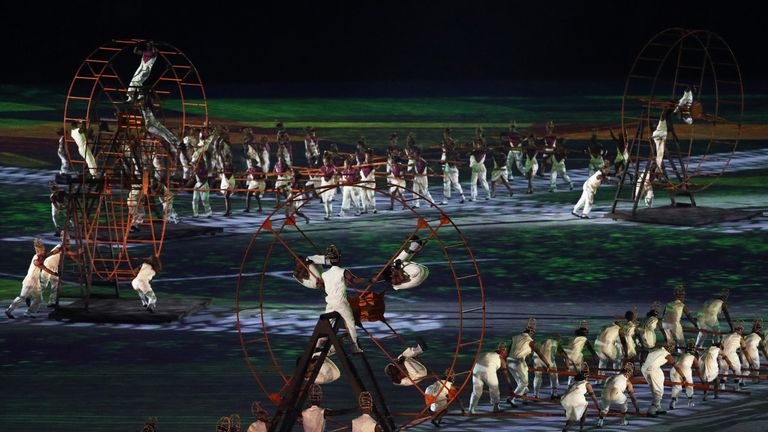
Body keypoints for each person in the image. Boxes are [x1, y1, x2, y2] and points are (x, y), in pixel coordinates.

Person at [307, 245, 373, 353]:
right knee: (350, 323)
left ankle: (318, 345)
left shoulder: (325, 274)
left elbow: (325, 285)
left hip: (330, 303)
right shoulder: (343, 271)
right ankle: (354, 347)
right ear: (339, 258)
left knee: (327, 325)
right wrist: (369, 280)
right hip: (341, 303)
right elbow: (354, 280)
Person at [6, 239, 60, 318]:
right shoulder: (36, 260)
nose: (44, 251)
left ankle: (28, 313)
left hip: (36, 282)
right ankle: (9, 310)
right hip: (29, 281)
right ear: (38, 250)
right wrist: (54, 273)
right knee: (22, 297)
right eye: (42, 250)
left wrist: (57, 250)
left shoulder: (41, 257)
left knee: (38, 299)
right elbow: (45, 268)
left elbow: (48, 255)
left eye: (44, 250)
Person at [506, 318, 553, 407]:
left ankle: (524, 397)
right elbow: (539, 353)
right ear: (531, 332)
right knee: (524, 383)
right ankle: (511, 398)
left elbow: (510, 350)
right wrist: (547, 364)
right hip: (518, 362)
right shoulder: (530, 341)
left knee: (520, 382)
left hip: (510, 361)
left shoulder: (515, 337)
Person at [641, 341, 688, 416]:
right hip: (653, 369)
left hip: (644, 369)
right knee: (658, 391)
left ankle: (658, 407)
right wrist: (683, 377)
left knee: (654, 389)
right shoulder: (667, 354)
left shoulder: (656, 349)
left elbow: (649, 350)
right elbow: (676, 367)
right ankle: (652, 409)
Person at [597, 362, 640, 428]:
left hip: (604, 394)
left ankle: (600, 421)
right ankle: (623, 420)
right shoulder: (627, 382)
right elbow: (632, 397)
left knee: (605, 408)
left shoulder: (610, 377)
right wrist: (637, 409)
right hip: (616, 394)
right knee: (625, 401)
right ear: (630, 372)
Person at [560, 362, 599, 432]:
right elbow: (593, 398)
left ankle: (573, 428)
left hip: (564, 400)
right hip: (575, 400)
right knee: (575, 417)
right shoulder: (587, 384)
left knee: (572, 416)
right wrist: (598, 407)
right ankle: (580, 429)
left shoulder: (573, 381)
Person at [469, 342, 507, 413]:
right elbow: (505, 373)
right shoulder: (500, 358)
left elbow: (474, 360)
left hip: (476, 371)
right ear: (503, 351)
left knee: (476, 391)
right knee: (494, 388)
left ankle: (471, 409)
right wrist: (510, 386)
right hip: (488, 371)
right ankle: (496, 407)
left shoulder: (485, 353)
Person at [669, 339, 704, 409]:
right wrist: (701, 379)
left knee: (676, 387)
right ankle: (690, 401)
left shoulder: (681, 355)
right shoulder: (693, 357)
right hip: (685, 370)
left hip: (674, 370)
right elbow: (697, 369)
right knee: (689, 385)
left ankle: (673, 401)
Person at [719, 321, 752, 390]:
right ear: (740, 330)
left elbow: (721, 348)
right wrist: (750, 362)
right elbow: (745, 351)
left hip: (722, 355)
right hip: (732, 355)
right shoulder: (740, 338)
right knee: (737, 370)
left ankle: (722, 386)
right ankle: (736, 386)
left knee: (724, 370)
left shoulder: (725, 336)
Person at [662, 284, 698, 349]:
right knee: (681, 342)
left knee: (670, 341)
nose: (684, 298)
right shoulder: (682, 305)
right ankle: (681, 353)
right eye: (683, 296)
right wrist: (696, 324)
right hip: (674, 324)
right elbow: (689, 316)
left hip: (665, 323)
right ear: (681, 296)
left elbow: (664, 314)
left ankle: (669, 352)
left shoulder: (668, 304)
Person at [594, 318, 628, 384]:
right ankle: (616, 379)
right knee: (617, 360)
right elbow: (623, 341)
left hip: (597, 345)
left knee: (603, 361)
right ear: (620, 324)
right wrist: (626, 352)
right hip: (606, 345)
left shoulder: (606, 327)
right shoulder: (619, 329)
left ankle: (599, 380)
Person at [564, 320, 598, 386]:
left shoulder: (572, 339)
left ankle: (570, 386)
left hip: (567, 357)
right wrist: (595, 361)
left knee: (571, 374)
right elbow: (591, 350)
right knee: (580, 373)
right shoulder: (584, 339)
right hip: (576, 357)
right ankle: (579, 386)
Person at [440, 137, 465, 205]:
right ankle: (445, 199)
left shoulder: (454, 152)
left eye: (446, 144)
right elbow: (443, 161)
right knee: (446, 183)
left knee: (455, 183)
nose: (444, 146)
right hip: (447, 169)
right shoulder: (446, 152)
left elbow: (457, 161)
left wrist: (456, 163)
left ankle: (462, 196)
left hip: (452, 169)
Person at [742, 319, 767, 383]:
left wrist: (756, 324)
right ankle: (755, 380)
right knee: (756, 366)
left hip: (743, 352)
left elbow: (754, 330)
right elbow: (763, 350)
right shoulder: (759, 338)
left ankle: (741, 381)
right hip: (752, 351)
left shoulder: (748, 336)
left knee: (747, 368)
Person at [468, 136, 491, 201]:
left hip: (481, 167)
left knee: (483, 181)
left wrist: (475, 150)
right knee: (473, 182)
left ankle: (488, 194)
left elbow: (480, 152)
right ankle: (473, 197)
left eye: (476, 143)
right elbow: (472, 153)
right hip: (475, 168)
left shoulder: (482, 150)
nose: (474, 145)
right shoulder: (474, 150)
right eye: (474, 143)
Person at [386, 147, 406, 211]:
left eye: (393, 160)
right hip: (394, 181)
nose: (392, 161)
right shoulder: (392, 166)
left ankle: (405, 205)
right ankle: (392, 206)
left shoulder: (400, 166)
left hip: (400, 181)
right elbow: (389, 173)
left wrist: (400, 175)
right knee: (393, 193)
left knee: (400, 194)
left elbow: (403, 173)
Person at [319, 154, 337, 220]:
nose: (324, 163)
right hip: (323, 185)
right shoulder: (322, 167)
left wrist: (324, 174)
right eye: (323, 162)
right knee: (324, 201)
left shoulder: (333, 168)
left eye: (326, 162)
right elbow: (319, 173)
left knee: (328, 200)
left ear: (329, 161)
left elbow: (332, 175)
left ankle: (329, 214)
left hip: (330, 185)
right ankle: (327, 213)